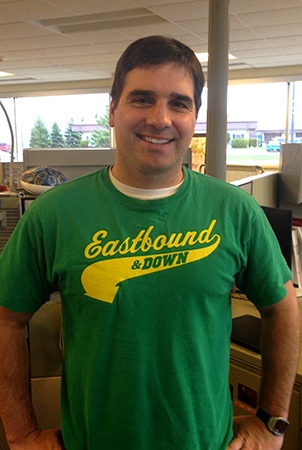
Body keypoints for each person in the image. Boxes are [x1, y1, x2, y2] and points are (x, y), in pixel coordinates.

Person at [0, 35, 299, 450]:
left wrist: (272, 422)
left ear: (194, 117)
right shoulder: (54, 214)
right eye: (142, 99)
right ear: (112, 111)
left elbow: (282, 307)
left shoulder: (235, 210)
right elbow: (6, 319)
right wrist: (20, 433)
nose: (160, 118)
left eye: (179, 103)